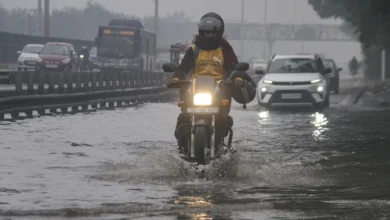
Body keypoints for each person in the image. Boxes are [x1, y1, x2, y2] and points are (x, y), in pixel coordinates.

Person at [170, 12, 256, 150]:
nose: (209, 36)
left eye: (212, 33)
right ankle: (182, 148)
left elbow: (233, 67)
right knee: (183, 120)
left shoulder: (225, 49)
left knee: (223, 120)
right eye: (206, 33)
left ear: (219, 33)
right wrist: (176, 78)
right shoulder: (193, 50)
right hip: (195, 89)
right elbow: (183, 68)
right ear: (200, 32)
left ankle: (222, 144)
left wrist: (238, 78)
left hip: (219, 89)